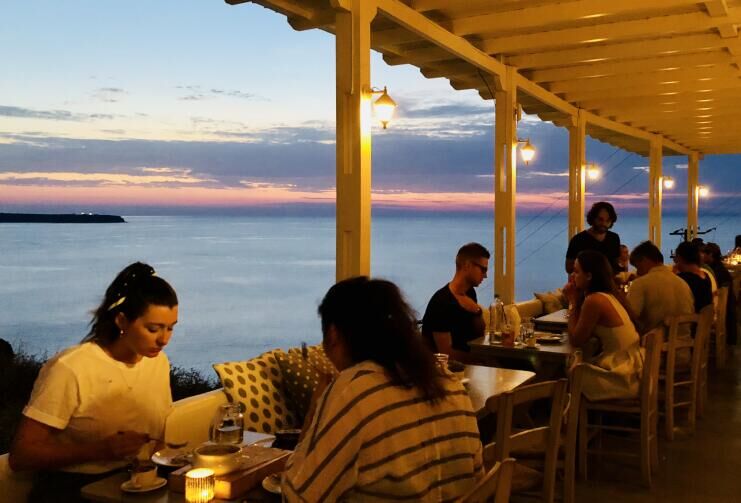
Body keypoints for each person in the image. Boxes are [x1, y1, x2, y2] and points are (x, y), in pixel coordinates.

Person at [283, 277, 483, 501]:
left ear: (333, 335)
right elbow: (477, 478)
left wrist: (315, 409)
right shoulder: (450, 384)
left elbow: (297, 495)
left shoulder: (353, 392)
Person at [9, 262, 178, 502]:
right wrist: (100, 450)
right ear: (121, 321)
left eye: (170, 328)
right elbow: (21, 456)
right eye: (153, 329)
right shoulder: (71, 368)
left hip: (135, 484)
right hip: (73, 491)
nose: (164, 339)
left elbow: (157, 438)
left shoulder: (158, 363)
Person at [563, 250, 643, 401]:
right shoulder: (610, 295)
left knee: (567, 373)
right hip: (632, 371)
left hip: (620, 379)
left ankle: (565, 415)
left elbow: (576, 340)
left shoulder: (595, 300)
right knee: (572, 367)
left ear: (589, 276)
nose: (572, 276)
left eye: (576, 271)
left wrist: (572, 301)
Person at [421, 243, 489, 364]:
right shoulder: (442, 302)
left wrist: (477, 312)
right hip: (446, 369)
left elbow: (479, 335)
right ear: (467, 265)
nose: (485, 275)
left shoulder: (470, 293)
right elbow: (446, 354)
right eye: (483, 269)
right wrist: (480, 360)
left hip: (468, 365)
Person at [627, 241, 694, 335]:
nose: (637, 272)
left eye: (638, 267)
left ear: (644, 260)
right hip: (685, 342)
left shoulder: (640, 283)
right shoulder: (683, 283)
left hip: (655, 343)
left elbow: (629, 318)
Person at [565, 201, 622, 275]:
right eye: (600, 219)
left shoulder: (614, 238)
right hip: (585, 282)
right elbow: (569, 268)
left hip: (608, 281)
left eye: (608, 220)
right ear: (593, 218)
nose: (604, 223)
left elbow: (616, 264)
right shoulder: (578, 240)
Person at [702, 242, 737, 345]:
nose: (702, 257)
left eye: (704, 254)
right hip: (727, 314)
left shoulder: (713, 272)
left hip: (717, 313)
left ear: (710, 255)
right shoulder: (720, 268)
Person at [674, 241, 713, 313]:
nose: (674, 260)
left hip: (691, 318)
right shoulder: (705, 275)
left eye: (675, 256)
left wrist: (673, 275)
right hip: (706, 318)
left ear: (680, 258)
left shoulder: (683, 279)